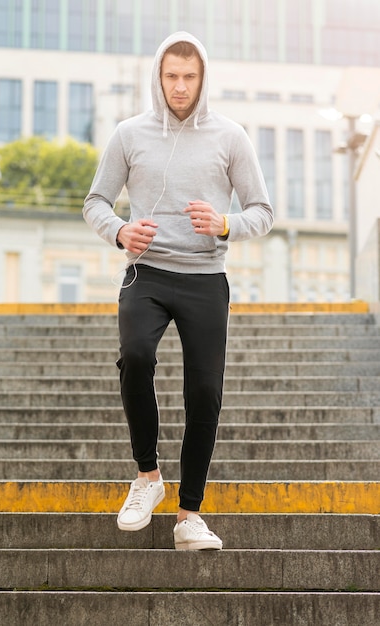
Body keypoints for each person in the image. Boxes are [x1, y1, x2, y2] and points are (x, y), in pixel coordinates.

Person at [83, 31, 273, 550]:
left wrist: (225, 224)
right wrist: (120, 230)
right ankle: (148, 478)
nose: (181, 87)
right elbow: (95, 201)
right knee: (137, 355)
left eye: (190, 77)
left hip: (206, 278)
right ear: (158, 77)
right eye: (172, 76)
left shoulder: (231, 137)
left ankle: (189, 516)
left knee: (205, 393)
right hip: (147, 273)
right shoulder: (129, 134)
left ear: (203, 78)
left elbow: (263, 211)